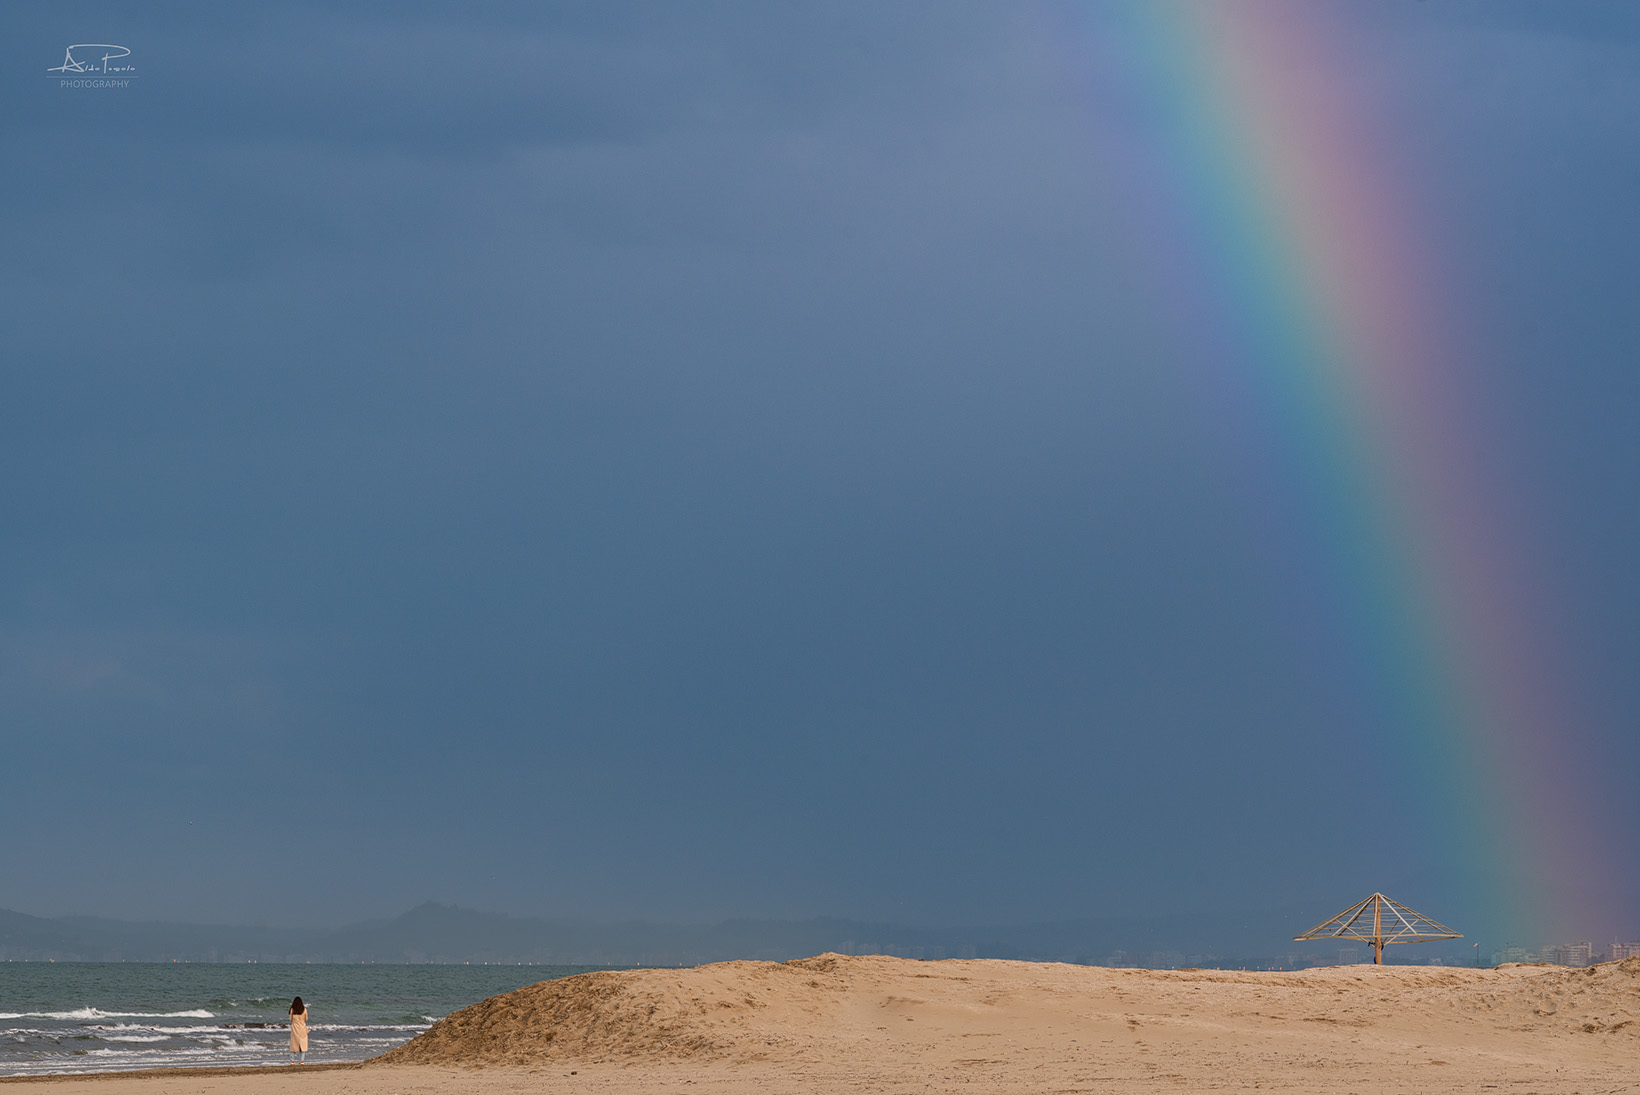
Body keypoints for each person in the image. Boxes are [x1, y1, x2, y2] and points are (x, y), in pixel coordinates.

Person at [288, 997, 309, 1064]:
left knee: (293, 1044)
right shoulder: (304, 1009)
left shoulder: (292, 1010)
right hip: (302, 1027)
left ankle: (292, 1061)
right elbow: (306, 1019)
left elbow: (290, 1019)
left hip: (295, 1028)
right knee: (302, 1044)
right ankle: (302, 1060)